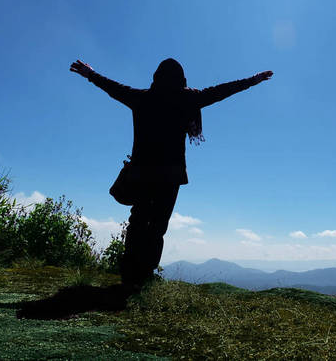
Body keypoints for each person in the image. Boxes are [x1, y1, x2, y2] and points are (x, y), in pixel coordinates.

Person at [70, 58, 273, 294]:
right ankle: (145, 274)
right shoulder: (188, 99)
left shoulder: (142, 98)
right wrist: (253, 80)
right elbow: (222, 91)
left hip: (142, 173)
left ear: (156, 77)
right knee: (157, 226)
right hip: (170, 175)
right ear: (182, 80)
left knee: (138, 220)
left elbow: (112, 87)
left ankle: (129, 273)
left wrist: (89, 74)